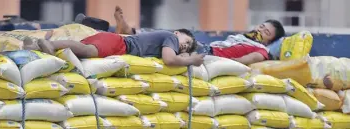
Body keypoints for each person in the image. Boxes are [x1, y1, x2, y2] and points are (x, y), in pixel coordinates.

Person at [75, 6, 285, 65]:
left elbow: (241, 62)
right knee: (163, 37)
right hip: (205, 46)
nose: (259, 30)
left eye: (265, 32)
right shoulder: (245, 39)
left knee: (167, 38)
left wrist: (207, 61)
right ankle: (125, 31)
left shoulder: (261, 51)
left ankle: (127, 31)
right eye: (261, 26)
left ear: (270, 41)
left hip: (208, 52)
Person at [23, 9, 204, 67]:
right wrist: (191, 60)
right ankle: (50, 44)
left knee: (79, 52)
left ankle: (35, 48)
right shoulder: (170, 38)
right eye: (186, 42)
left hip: (115, 41)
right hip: (119, 44)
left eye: (188, 48)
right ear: (177, 33)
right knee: (87, 51)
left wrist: (187, 56)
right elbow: (169, 59)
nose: (185, 47)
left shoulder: (169, 40)